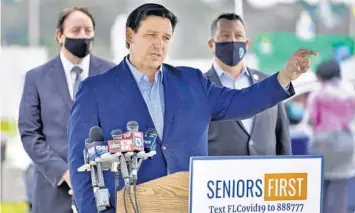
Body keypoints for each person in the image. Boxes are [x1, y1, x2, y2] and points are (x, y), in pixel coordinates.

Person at [67, 3, 316, 213]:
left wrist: (284, 76)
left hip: (189, 204)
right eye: (151, 35)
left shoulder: (192, 82)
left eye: (165, 38)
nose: (159, 44)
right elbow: (80, 161)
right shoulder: (95, 90)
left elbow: (243, 101)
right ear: (130, 36)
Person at [18, 7, 115, 213]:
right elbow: (29, 133)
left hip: (101, 189)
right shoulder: (36, 78)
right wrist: (64, 172)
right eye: (76, 30)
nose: (83, 36)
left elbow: (120, 123)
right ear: (60, 35)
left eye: (88, 31)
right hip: (52, 190)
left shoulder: (112, 73)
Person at [204, 13, 291, 156]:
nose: (232, 41)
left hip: (266, 175)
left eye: (238, 36)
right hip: (221, 176)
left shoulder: (269, 83)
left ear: (247, 43)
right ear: (211, 44)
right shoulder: (199, 87)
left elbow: (282, 139)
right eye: (224, 36)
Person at [307, 59, 355, 213]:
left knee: (320, 186)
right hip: (345, 141)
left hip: (322, 140)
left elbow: (312, 119)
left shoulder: (317, 95)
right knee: (340, 186)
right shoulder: (349, 92)